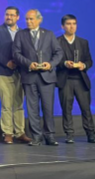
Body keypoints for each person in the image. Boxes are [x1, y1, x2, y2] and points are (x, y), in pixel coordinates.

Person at [13, 9, 63, 146]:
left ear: (39, 20)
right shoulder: (20, 34)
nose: (28, 21)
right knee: (32, 109)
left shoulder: (49, 34)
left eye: (31, 19)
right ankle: (36, 137)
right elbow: (16, 54)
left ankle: (50, 136)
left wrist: (50, 64)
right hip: (29, 76)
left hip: (47, 77)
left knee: (48, 108)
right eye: (27, 19)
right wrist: (29, 64)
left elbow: (58, 52)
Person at [0, 6, 31, 144]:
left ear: (18, 17)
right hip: (2, 72)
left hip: (20, 72)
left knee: (18, 103)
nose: (9, 17)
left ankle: (20, 132)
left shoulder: (23, 33)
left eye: (12, 15)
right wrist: (7, 63)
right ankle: (8, 133)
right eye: (7, 14)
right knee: (6, 103)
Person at [57, 14, 95, 144]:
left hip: (81, 79)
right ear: (62, 26)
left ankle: (91, 134)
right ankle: (69, 134)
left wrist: (83, 65)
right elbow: (54, 61)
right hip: (65, 79)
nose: (72, 26)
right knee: (66, 108)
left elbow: (89, 60)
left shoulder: (83, 42)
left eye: (74, 24)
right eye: (68, 24)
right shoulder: (57, 42)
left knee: (86, 108)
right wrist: (65, 63)